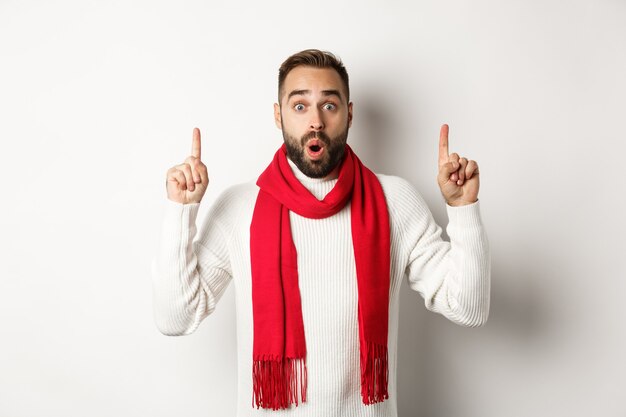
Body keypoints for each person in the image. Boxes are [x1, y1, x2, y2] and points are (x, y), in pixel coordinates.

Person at [151, 49, 490, 417]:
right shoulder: (239, 208)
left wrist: (463, 208)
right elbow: (175, 318)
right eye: (299, 106)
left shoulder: (395, 201)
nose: (315, 121)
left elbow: (468, 308)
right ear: (278, 115)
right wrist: (180, 211)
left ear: (349, 113)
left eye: (329, 105)